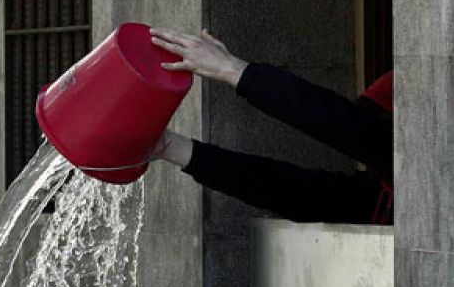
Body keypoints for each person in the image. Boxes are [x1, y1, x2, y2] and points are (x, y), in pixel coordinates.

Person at [145, 29, 394, 226]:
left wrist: (233, 70)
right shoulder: (379, 199)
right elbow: (292, 191)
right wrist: (174, 148)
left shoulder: (409, 170)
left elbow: (347, 127)